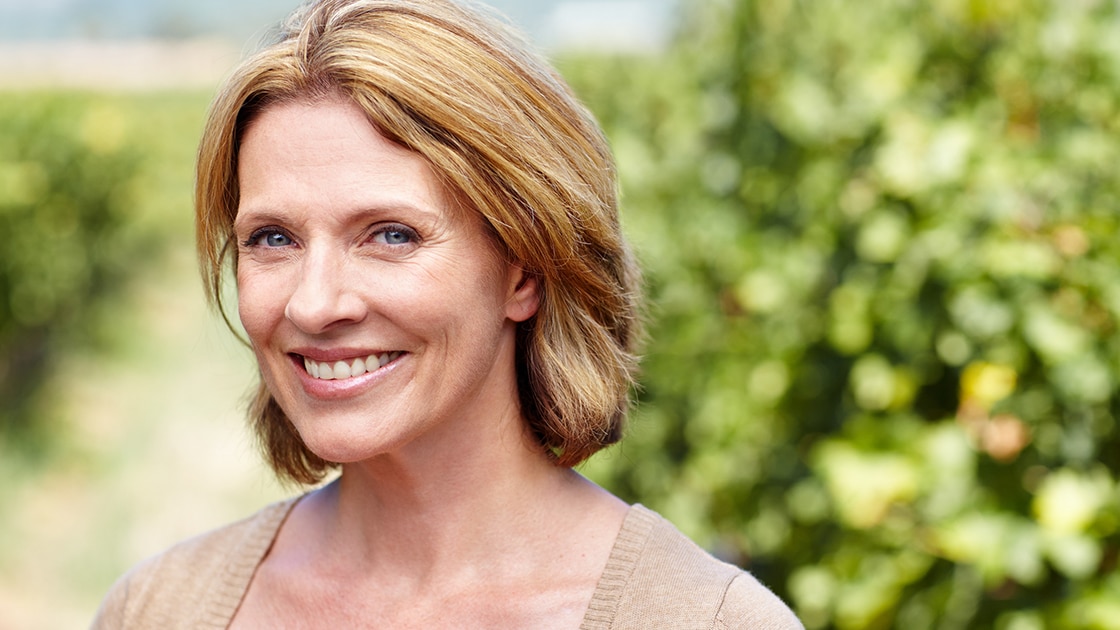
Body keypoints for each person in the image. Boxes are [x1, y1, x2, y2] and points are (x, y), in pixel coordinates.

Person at [92, 0, 803, 627]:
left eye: (390, 235)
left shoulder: (705, 621)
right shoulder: (157, 608)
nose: (315, 303)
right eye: (272, 239)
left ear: (525, 268)